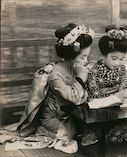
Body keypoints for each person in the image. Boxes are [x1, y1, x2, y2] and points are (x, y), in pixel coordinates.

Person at [17, 23, 95, 153]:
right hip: (52, 118)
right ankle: (42, 129)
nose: (85, 61)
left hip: (68, 114)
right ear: (71, 55)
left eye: (87, 57)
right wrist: (81, 78)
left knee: (86, 135)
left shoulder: (75, 68)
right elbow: (75, 98)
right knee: (69, 139)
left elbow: (83, 96)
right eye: (83, 57)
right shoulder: (55, 75)